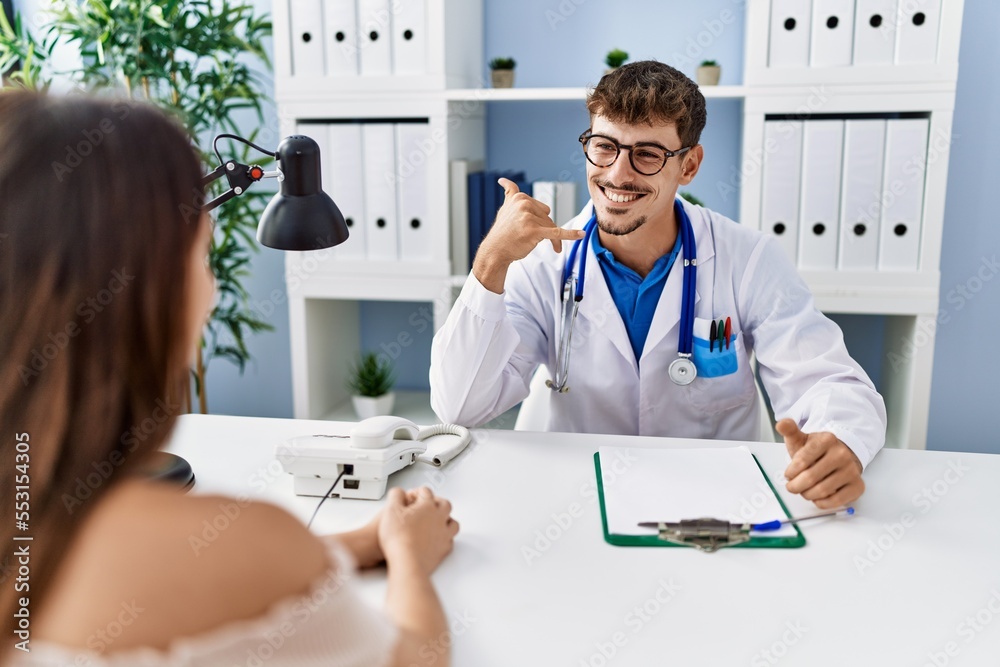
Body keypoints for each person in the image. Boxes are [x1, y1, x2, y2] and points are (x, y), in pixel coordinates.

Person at [0, 91, 458, 666]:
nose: (212, 289)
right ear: (148, 294)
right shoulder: (253, 545)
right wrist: (411, 557)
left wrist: (359, 543)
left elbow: (171, 578)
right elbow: (418, 656)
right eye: (202, 256)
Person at [430, 60, 887, 509]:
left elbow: (827, 380)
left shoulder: (747, 259)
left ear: (689, 166)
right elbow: (461, 408)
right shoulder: (542, 265)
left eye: (647, 154)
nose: (617, 174)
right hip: (573, 501)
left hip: (713, 501)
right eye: (605, 146)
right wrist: (490, 263)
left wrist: (840, 441)